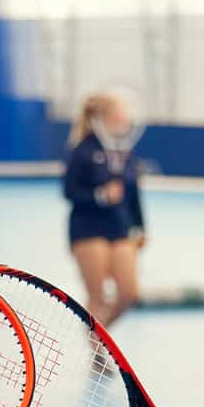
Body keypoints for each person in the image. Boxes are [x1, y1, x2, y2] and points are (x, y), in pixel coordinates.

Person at [62, 88, 146, 327]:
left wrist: (139, 226)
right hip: (88, 229)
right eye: (120, 114)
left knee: (130, 294)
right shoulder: (82, 151)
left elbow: (133, 194)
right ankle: (96, 353)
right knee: (97, 300)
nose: (125, 119)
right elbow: (69, 191)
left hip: (119, 228)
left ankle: (95, 339)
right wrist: (100, 195)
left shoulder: (126, 153)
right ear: (104, 117)